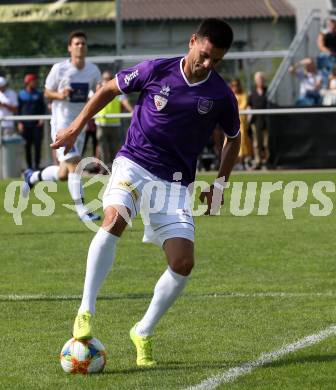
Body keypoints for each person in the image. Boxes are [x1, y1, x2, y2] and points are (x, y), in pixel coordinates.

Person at [51, 19, 241, 367]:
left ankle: (142, 330)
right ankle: (85, 311)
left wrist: (220, 184)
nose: (208, 64)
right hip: (134, 163)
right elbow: (109, 89)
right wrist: (75, 128)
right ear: (192, 41)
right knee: (114, 220)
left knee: (183, 264)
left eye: (217, 60)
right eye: (205, 55)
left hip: (176, 182)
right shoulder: (156, 70)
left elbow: (234, 137)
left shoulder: (219, 94)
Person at [23, 30, 102, 222]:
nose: (80, 46)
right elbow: (47, 92)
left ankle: (32, 177)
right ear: (69, 48)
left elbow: (97, 93)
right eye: (76, 43)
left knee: (63, 173)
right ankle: (83, 211)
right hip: (62, 123)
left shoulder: (93, 70)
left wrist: (98, 93)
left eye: (83, 43)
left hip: (79, 125)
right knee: (75, 164)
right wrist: (61, 94)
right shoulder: (59, 69)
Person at [95, 70, 133, 173]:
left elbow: (125, 102)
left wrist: (133, 112)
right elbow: (91, 101)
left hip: (115, 124)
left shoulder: (118, 91)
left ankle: (114, 169)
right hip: (101, 124)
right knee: (103, 148)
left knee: (115, 148)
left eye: (109, 79)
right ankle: (103, 169)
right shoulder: (98, 90)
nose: (107, 81)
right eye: (105, 79)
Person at [18, 73, 45, 170]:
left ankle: (37, 166)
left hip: (37, 125)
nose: (35, 83)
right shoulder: (21, 94)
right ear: (28, 82)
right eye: (34, 81)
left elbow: (43, 108)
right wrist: (20, 122)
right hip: (26, 125)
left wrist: (42, 118)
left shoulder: (39, 94)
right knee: (27, 146)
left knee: (37, 146)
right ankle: (29, 167)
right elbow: (19, 110)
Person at [248, 72, 268, 170]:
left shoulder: (267, 91)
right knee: (256, 143)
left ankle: (267, 161)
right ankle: (258, 161)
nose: (260, 81)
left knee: (266, 143)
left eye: (262, 79)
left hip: (266, 120)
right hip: (256, 121)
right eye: (258, 79)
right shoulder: (252, 93)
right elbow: (249, 105)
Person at [230, 78, 252, 169]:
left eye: (237, 85)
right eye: (233, 85)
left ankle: (241, 161)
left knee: (242, 141)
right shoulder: (229, 95)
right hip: (229, 123)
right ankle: (233, 162)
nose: (235, 87)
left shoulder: (244, 95)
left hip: (241, 123)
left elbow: (242, 107)